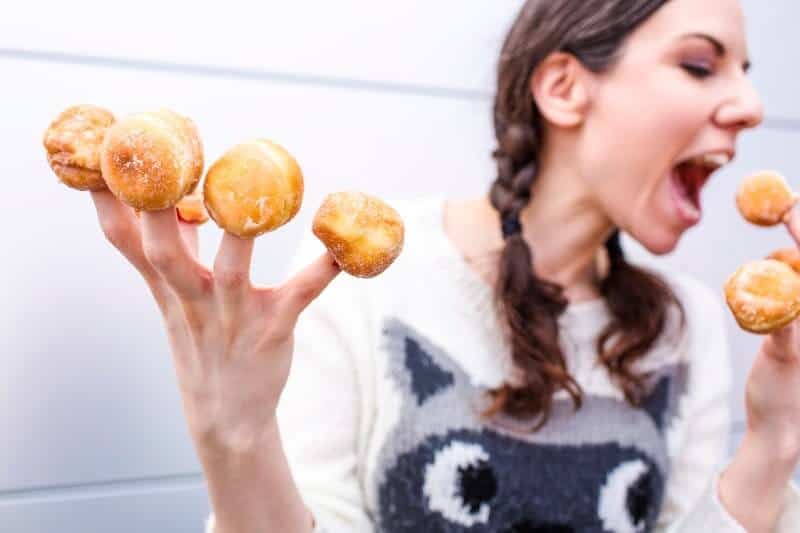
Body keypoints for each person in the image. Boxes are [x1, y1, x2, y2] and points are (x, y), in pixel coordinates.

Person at [90, 0, 800, 531]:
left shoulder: (688, 322)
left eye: (744, 72)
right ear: (562, 87)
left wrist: (776, 435)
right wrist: (234, 438)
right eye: (700, 65)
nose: (751, 106)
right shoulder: (360, 273)